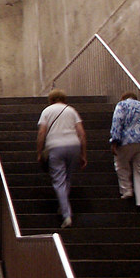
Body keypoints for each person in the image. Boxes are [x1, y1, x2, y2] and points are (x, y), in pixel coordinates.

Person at [36, 89, 87, 228]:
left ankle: (66, 215)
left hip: (55, 147)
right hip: (74, 146)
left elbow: (41, 133)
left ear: (51, 99)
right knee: (67, 179)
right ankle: (63, 205)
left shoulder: (47, 111)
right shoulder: (71, 111)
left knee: (59, 181)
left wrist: (39, 152)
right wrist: (83, 154)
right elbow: (82, 133)